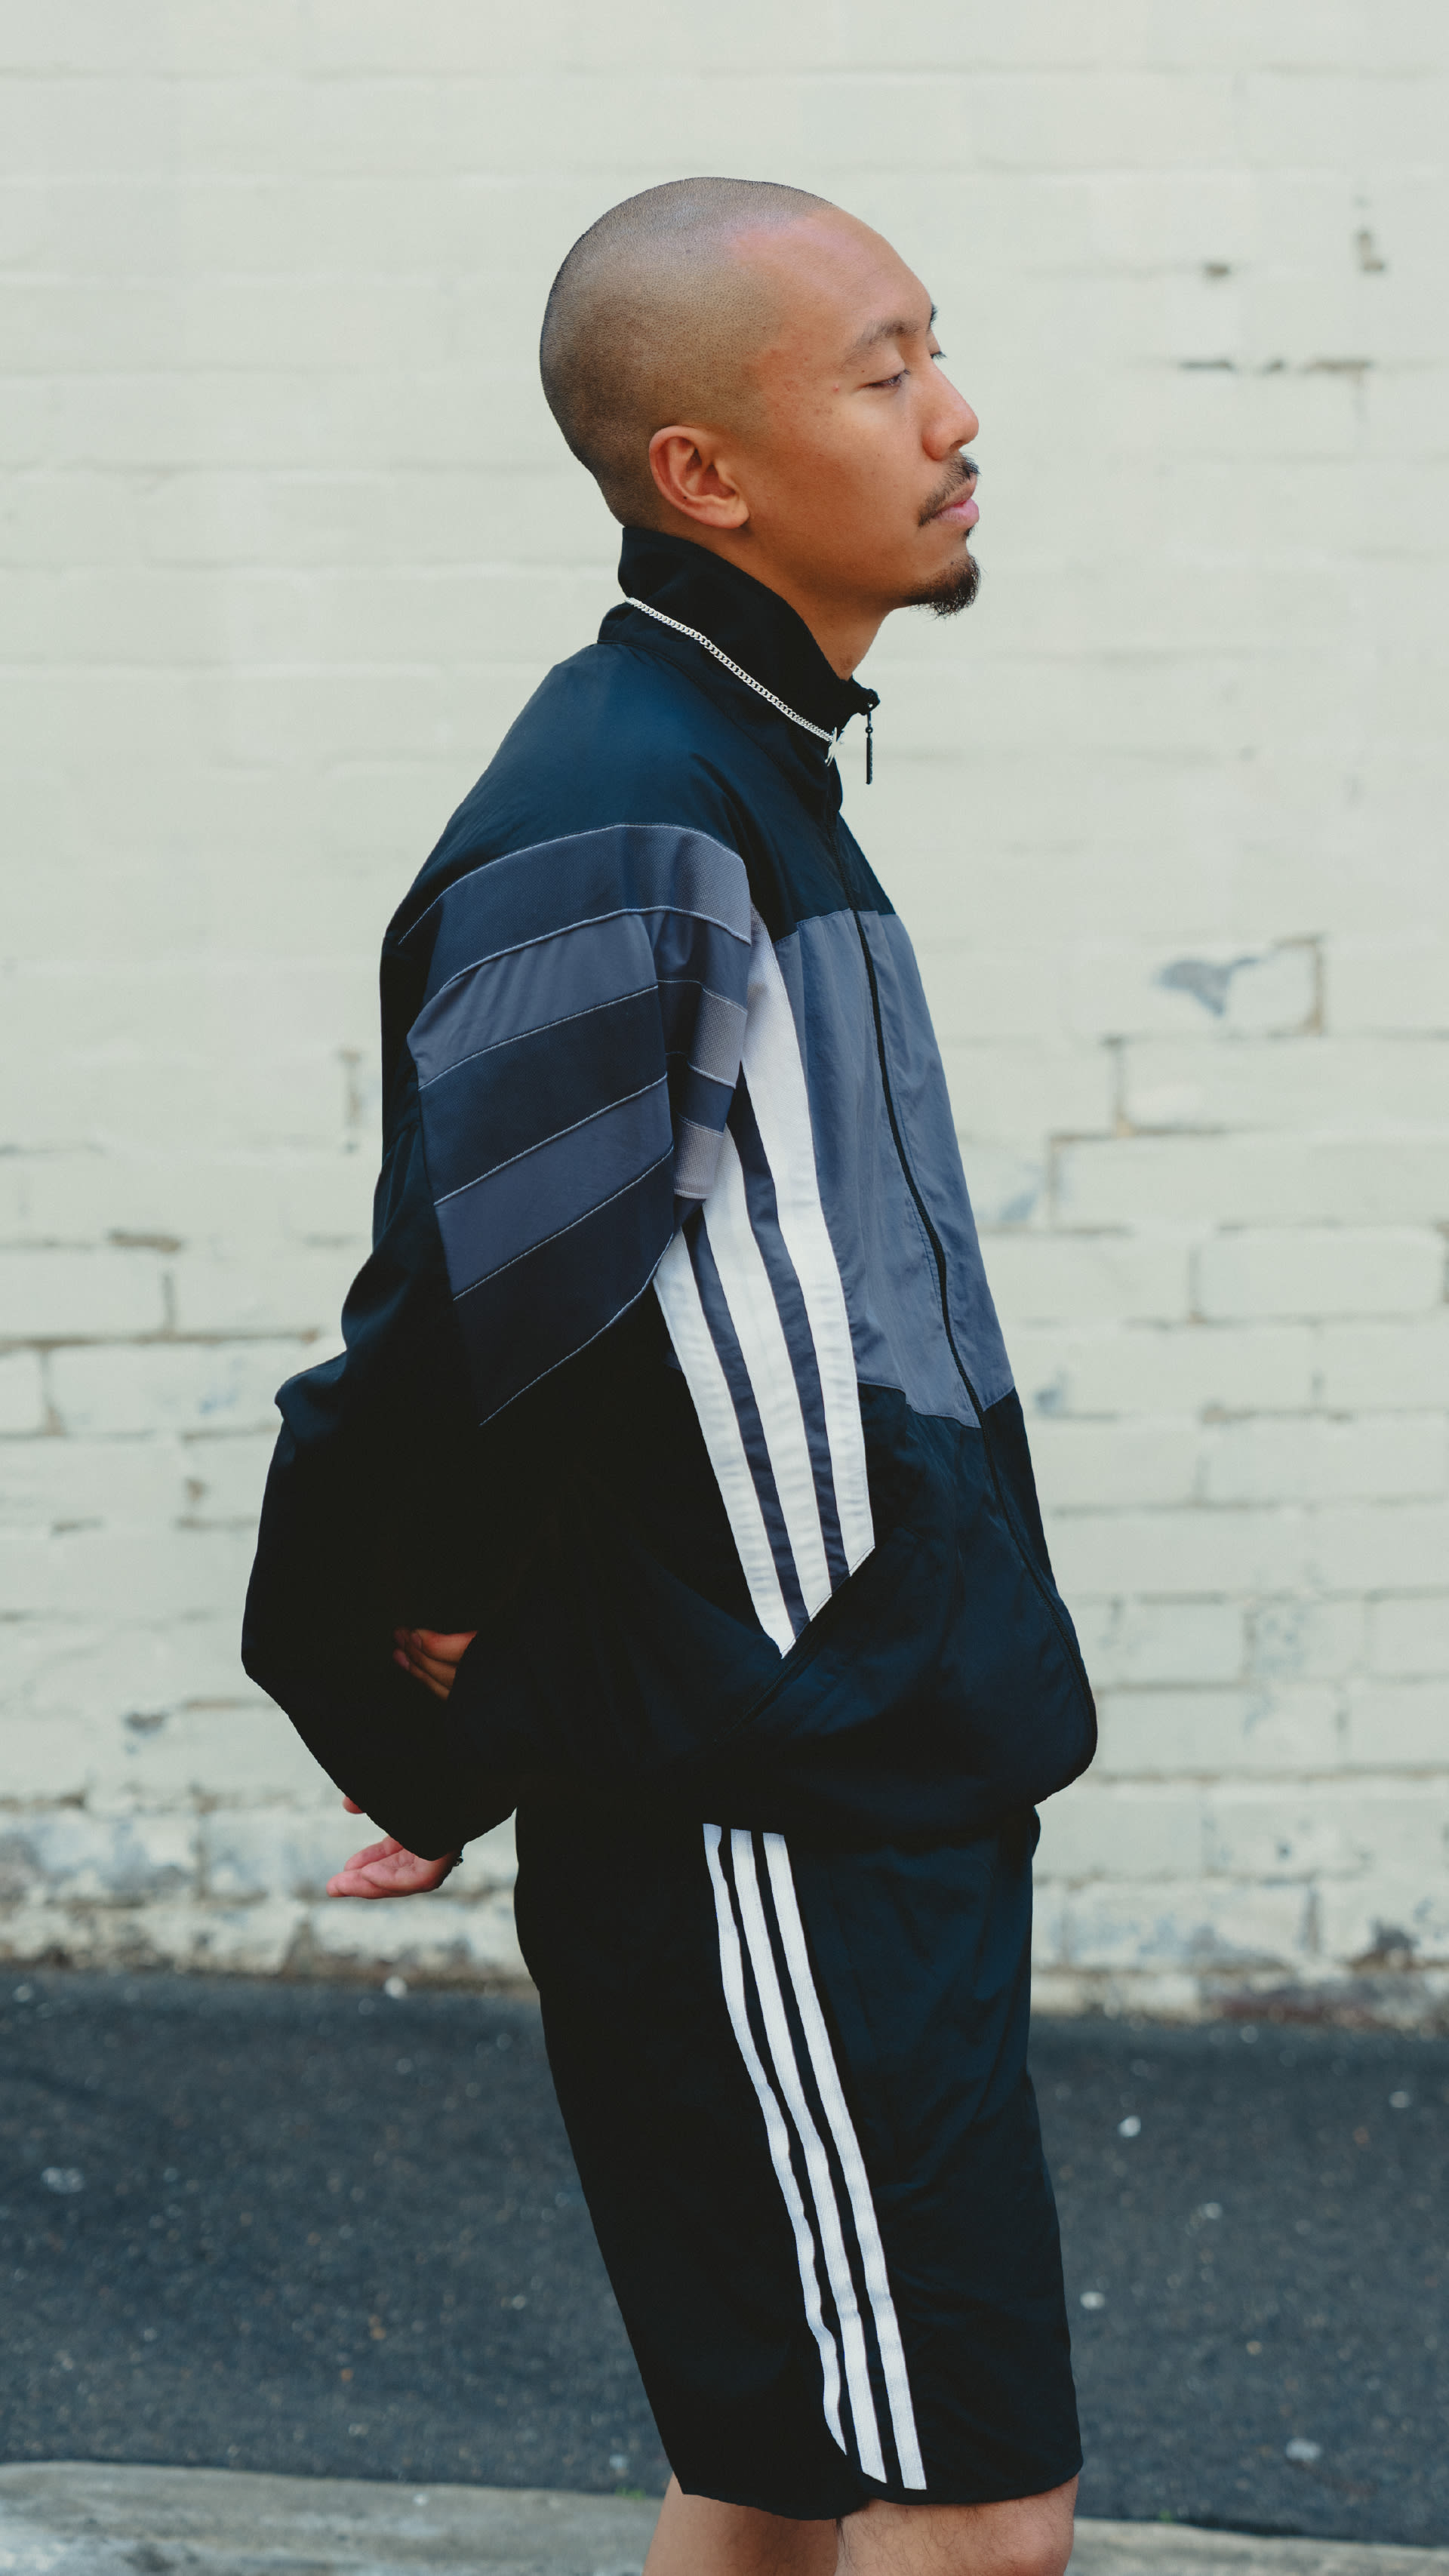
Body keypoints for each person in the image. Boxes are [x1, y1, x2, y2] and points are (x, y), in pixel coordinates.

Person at [244, 177, 1096, 2576]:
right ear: (700, 474)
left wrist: (491, 1707)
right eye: (881, 368)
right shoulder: (634, 811)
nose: (954, 416)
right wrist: (404, 1688)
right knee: (972, 2514)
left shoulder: (731, 767)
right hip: (779, 1786)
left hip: (813, 1757)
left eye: (938, 345)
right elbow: (463, 1318)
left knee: (777, 2479)